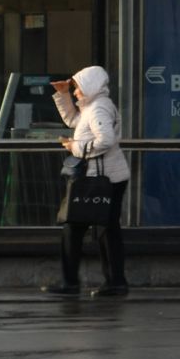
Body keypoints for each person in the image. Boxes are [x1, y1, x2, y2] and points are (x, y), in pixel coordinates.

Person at [46, 66, 129, 296]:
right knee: (106, 228)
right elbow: (74, 120)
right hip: (108, 177)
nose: (75, 92)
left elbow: (106, 140)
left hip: (101, 179)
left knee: (75, 227)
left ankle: (72, 282)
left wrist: (76, 147)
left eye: (77, 88)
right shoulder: (94, 107)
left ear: (91, 86)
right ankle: (114, 282)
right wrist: (62, 94)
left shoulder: (98, 109)